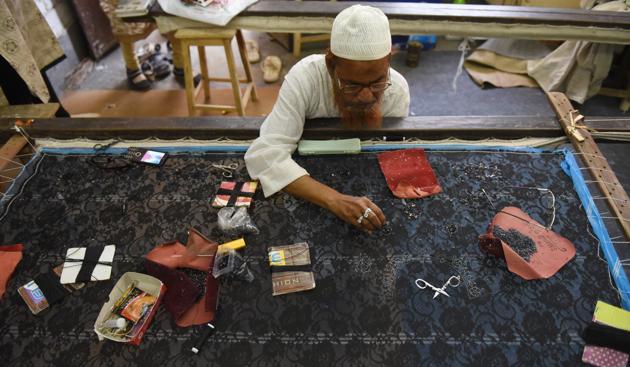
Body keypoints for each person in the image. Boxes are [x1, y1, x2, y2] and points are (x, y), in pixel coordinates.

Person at [245, 5, 410, 232]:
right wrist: (334, 200)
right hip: (307, 170)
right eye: (352, 84)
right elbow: (266, 154)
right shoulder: (304, 79)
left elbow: (393, 151)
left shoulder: (397, 88)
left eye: (376, 83)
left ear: (388, 63)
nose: (365, 96)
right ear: (331, 65)